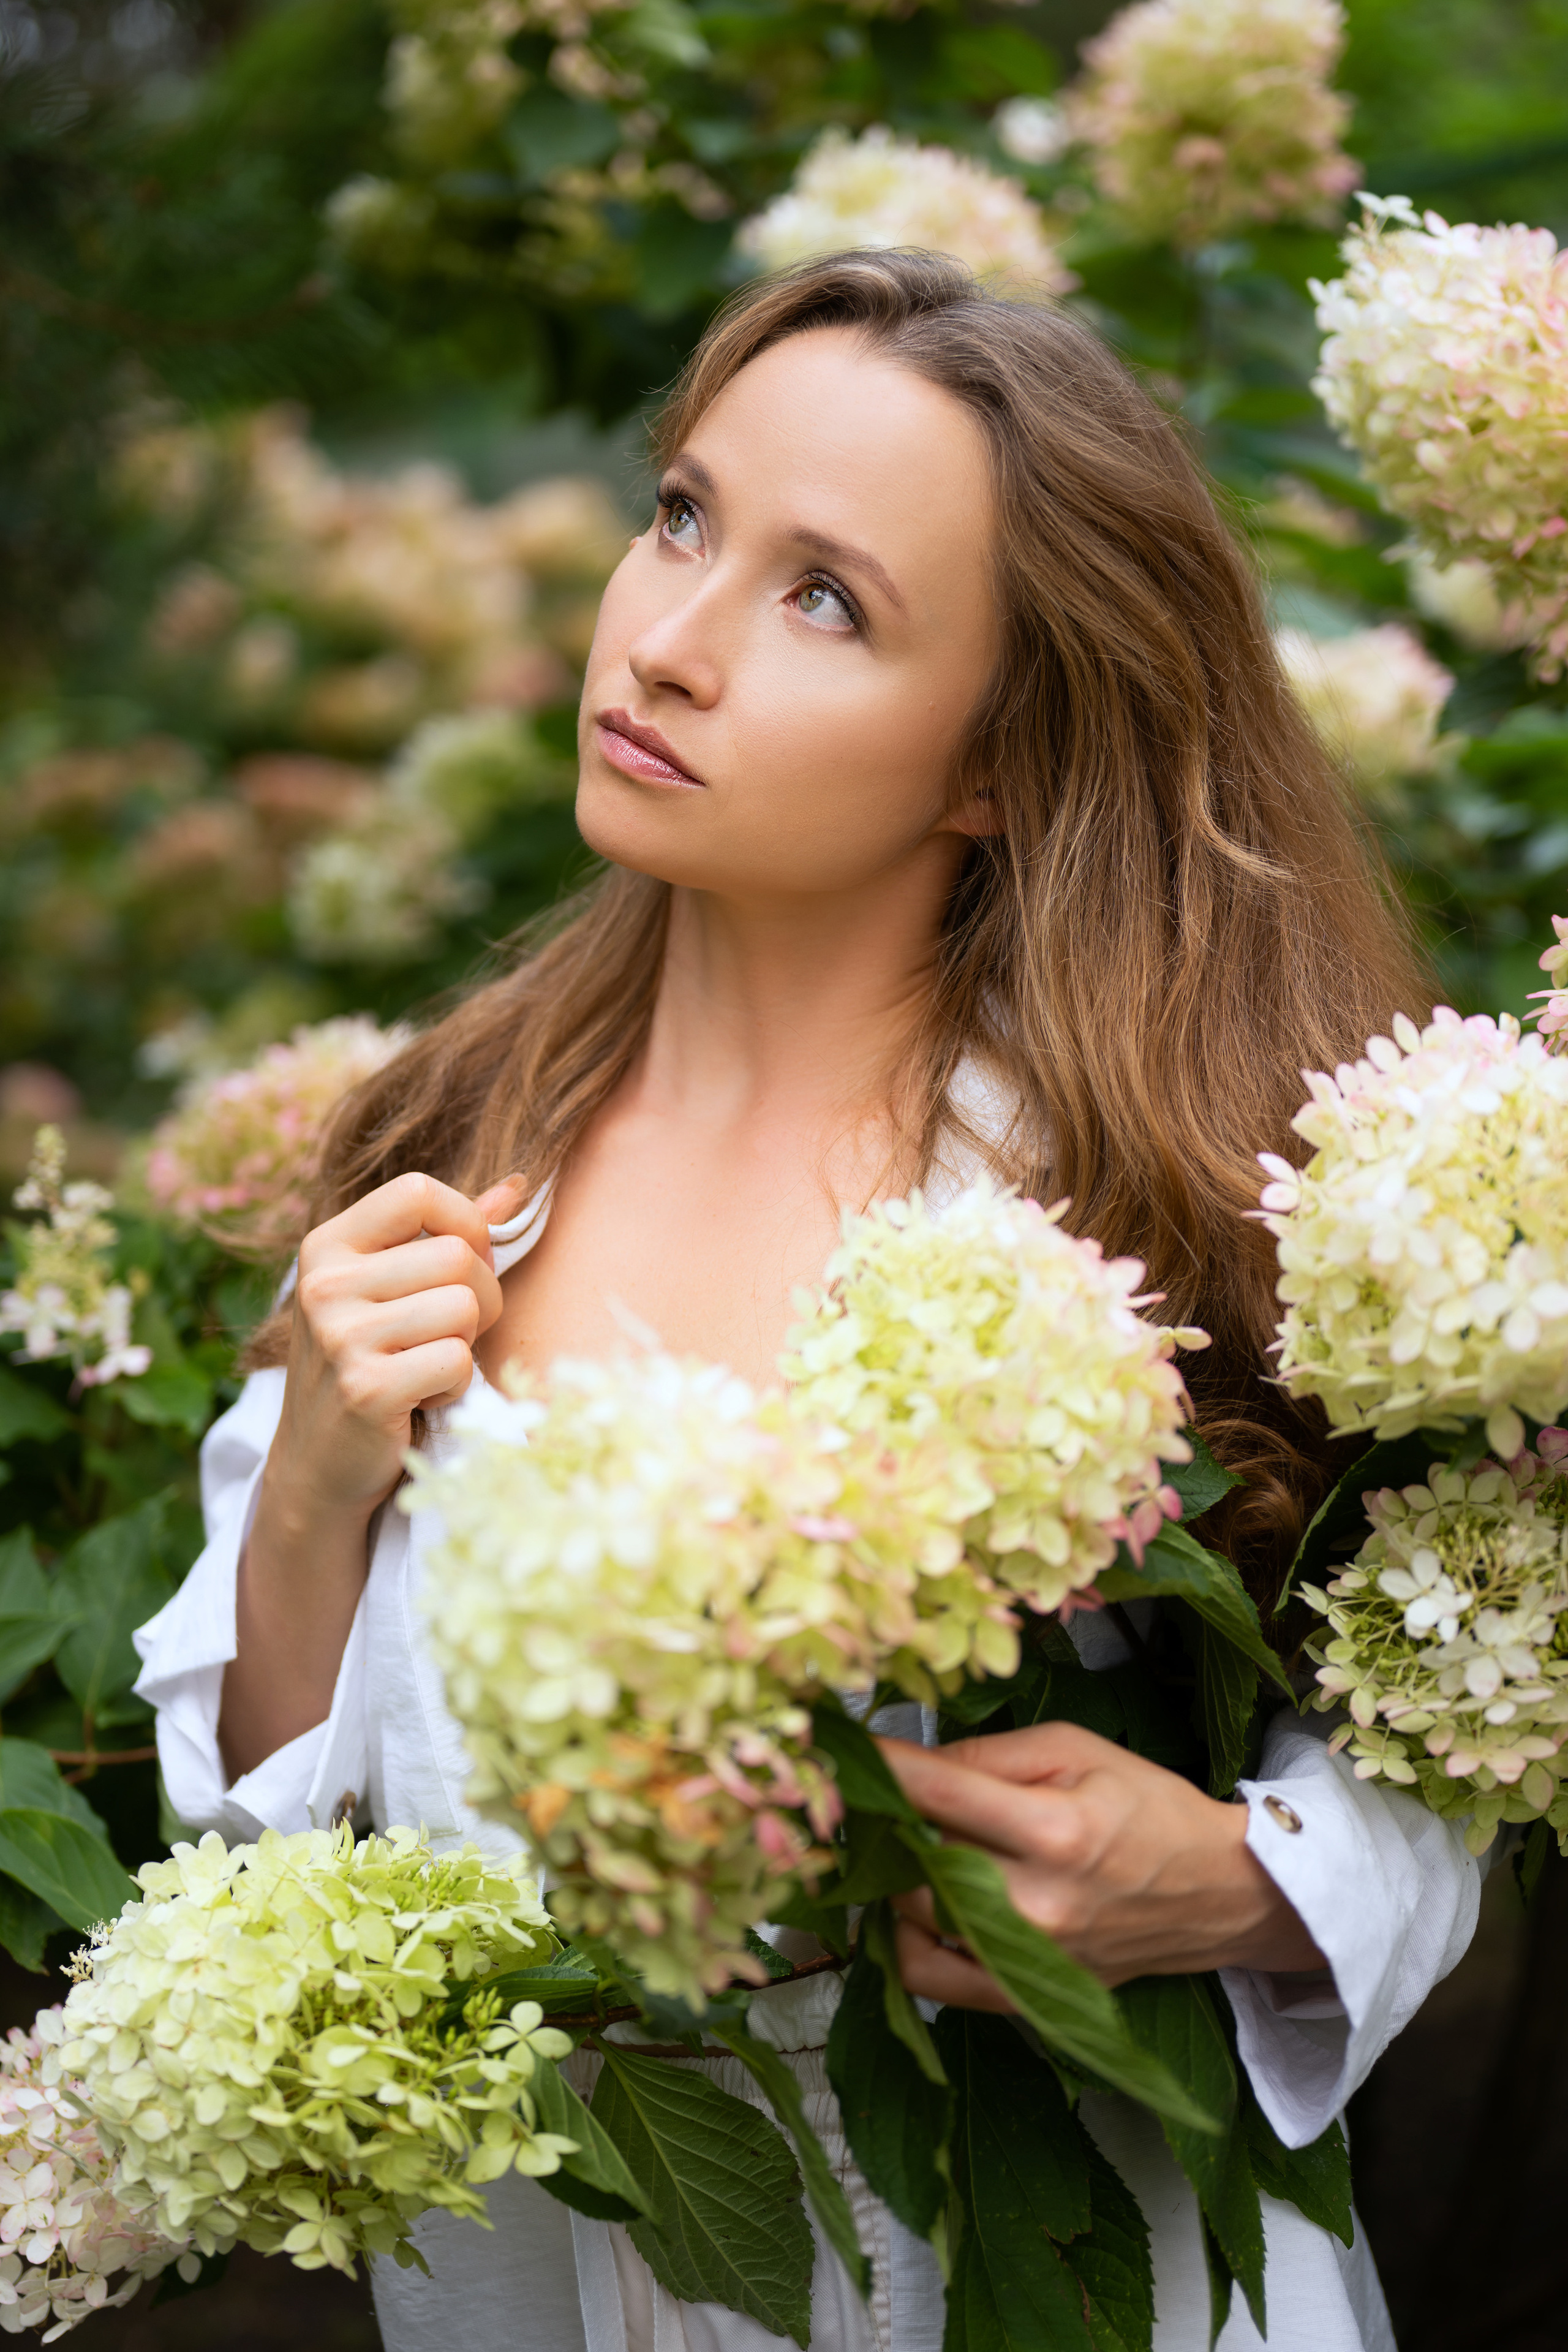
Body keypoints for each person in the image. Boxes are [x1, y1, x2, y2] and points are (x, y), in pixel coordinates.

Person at [134, 249, 1478, 2352]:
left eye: (822, 598)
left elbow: (1457, 1704)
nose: (664, 643)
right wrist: (313, 1480)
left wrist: (1248, 1877)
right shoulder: (454, 1150)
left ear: (1000, 765)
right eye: (681, 516)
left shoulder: (1148, 1222)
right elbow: (255, 1873)